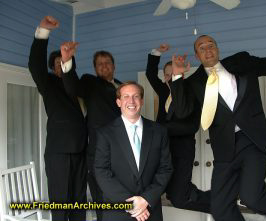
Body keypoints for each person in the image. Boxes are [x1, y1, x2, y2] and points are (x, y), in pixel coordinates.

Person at [170, 35, 266, 221]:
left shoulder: (242, 61)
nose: (207, 49)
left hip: (252, 139)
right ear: (197, 56)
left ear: (217, 49)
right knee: (221, 208)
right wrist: (177, 76)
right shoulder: (194, 82)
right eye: (202, 48)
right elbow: (182, 112)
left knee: (251, 197)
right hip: (224, 148)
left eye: (211, 45)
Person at [28, 16, 87, 221]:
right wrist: (43, 32)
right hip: (59, 151)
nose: (60, 66)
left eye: (63, 62)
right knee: (61, 204)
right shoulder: (48, 85)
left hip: (81, 150)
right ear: (53, 69)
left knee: (79, 201)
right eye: (56, 64)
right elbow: (35, 65)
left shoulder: (79, 85)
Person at [94, 81, 173, 221]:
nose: (131, 101)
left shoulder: (159, 132)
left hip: (150, 209)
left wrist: (145, 199)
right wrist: (130, 204)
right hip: (118, 211)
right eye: (126, 96)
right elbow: (101, 171)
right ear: (118, 102)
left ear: (141, 101)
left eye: (136, 96)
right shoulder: (105, 133)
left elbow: (165, 168)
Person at [60, 43, 122, 220]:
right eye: (99, 64)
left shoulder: (123, 87)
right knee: (102, 202)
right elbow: (72, 87)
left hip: (123, 154)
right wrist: (67, 60)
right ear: (95, 68)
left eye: (107, 62)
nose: (104, 66)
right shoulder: (90, 82)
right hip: (98, 154)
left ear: (114, 65)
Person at [145, 43, 210, 213]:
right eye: (166, 75)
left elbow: (191, 126)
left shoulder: (191, 91)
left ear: (180, 73)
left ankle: (219, 201)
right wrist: (156, 52)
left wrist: (159, 129)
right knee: (168, 192)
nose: (168, 78)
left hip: (182, 151)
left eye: (171, 74)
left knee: (179, 196)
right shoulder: (163, 90)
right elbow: (150, 74)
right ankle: (221, 198)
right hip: (162, 152)